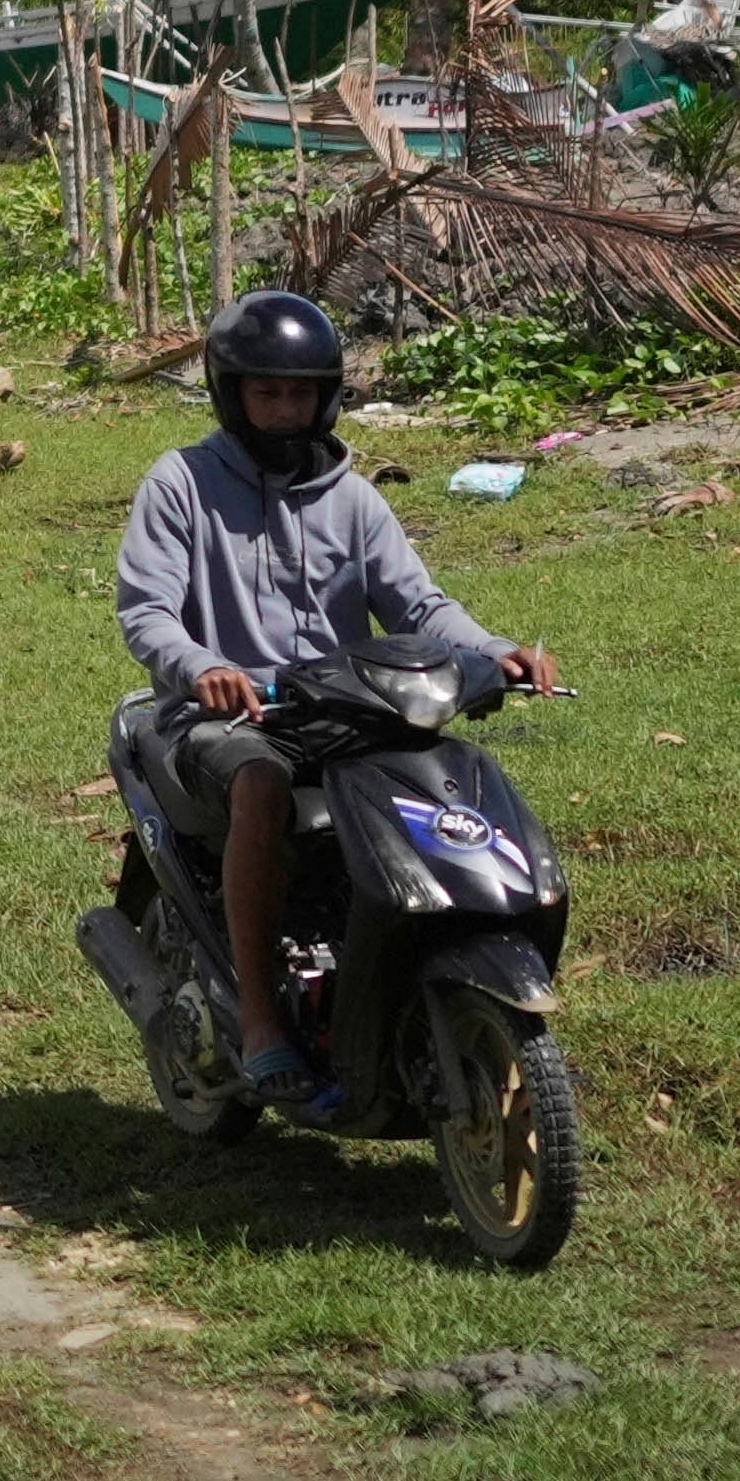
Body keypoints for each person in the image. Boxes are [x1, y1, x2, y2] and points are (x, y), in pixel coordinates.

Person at [116, 289, 553, 1111]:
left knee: (451, 768)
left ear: (327, 396)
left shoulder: (353, 498)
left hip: (347, 709)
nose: (285, 411)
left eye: (301, 394)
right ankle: (258, 1021)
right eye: (267, 392)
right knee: (262, 784)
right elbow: (146, 611)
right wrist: (201, 665)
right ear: (231, 391)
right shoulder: (180, 484)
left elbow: (420, 605)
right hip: (228, 717)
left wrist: (496, 652)